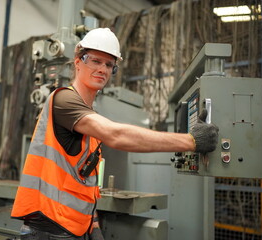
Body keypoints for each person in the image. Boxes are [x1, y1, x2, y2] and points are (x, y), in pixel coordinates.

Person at [11, 28, 219, 240]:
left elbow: (83, 179)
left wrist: (92, 225)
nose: (103, 69)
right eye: (95, 61)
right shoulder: (63, 100)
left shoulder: (89, 119)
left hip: (72, 227)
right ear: (77, 62)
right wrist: (191, 141)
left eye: (109, 64)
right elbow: (116, 135)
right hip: (49, 228)